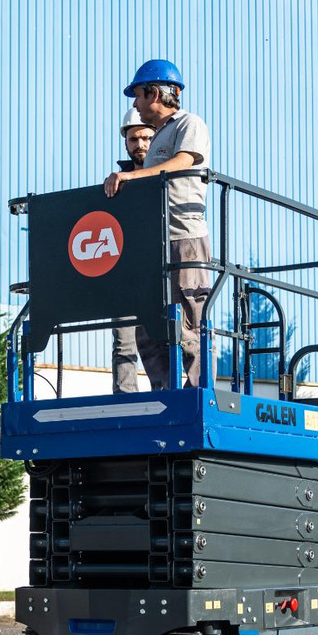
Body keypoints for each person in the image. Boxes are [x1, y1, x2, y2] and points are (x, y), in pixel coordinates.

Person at [104, 58, 212, 389]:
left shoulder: (188, 124)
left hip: (184, 237)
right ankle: (165, 391)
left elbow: (182, 162)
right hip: (154, 243)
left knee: (190, 323)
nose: (135, 104)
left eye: (137, 95)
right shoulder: (162, 135)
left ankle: (197, 394)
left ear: (154, 93)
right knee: (148, 328)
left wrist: (131, 177)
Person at [112, 108, 155, 393]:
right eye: (133, 139)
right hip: (125, 273)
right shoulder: (115, 182)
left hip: (159, 270)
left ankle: (167, 396)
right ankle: (124, 400)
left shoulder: (168, 176)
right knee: (123, 342)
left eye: (146, 138)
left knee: (160, 341)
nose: (139, 145)